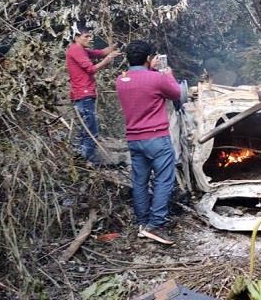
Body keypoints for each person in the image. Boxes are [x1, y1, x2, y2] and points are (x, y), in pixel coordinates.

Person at [115, 40, 181, 245]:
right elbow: (178, 94)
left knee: (140, 182)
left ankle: (143, 223)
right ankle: (156, 225)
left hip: (134, 140)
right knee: (164, 180)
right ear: (148, 59)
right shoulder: (157, 78)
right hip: (157, 139)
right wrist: (167, 73)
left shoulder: (120, 79)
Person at [65, 24, 121, 164]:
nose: (89, 39)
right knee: (91, 130)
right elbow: (90, 69)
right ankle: (87, 161)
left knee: (86, 129)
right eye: (86, 36)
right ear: (76, 37)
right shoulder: (76, 50)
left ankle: (80, 159)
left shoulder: (81, 50)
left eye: (90, 36)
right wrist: (108, 60)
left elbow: (100, 53)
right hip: (83, 94)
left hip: (83, 94)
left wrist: (116, 46)